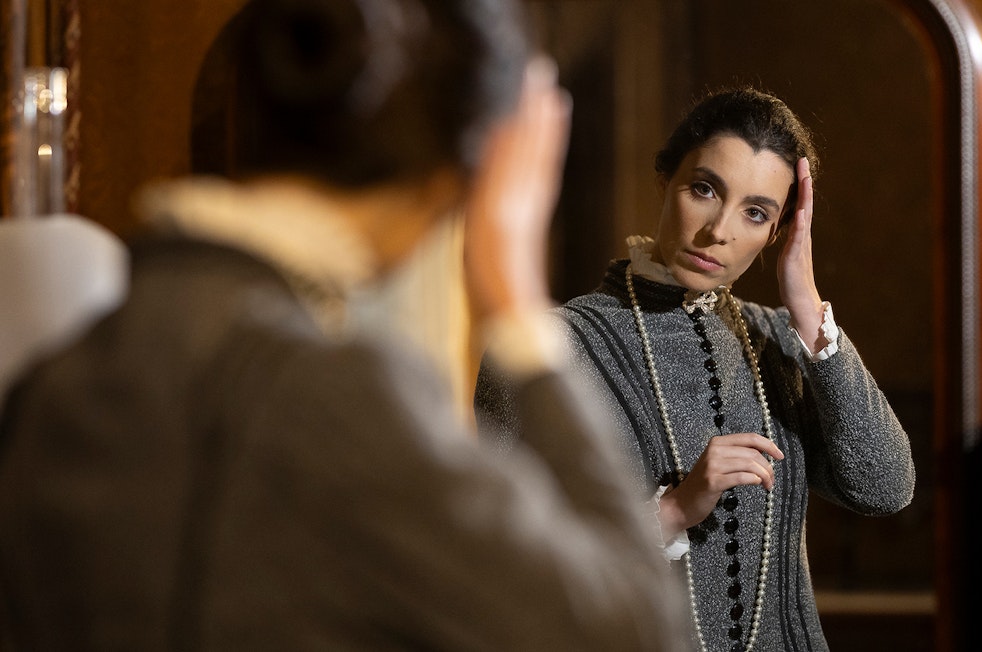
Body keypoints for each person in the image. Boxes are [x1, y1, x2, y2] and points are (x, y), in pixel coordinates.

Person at [0, 0, 690, 649]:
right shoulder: (334, 396)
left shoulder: (61, 378)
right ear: (478, 165)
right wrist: (513, 293)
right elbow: (628, 626)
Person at [475, 86, 916, 651]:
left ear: (777, 232)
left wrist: (806, 308)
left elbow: (884, 488)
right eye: (705, 189)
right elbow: (502, 561)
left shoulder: (783, 341)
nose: (720, 232)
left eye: (756, 213)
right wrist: (672, 509)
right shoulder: (547, 349)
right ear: (666, 181)